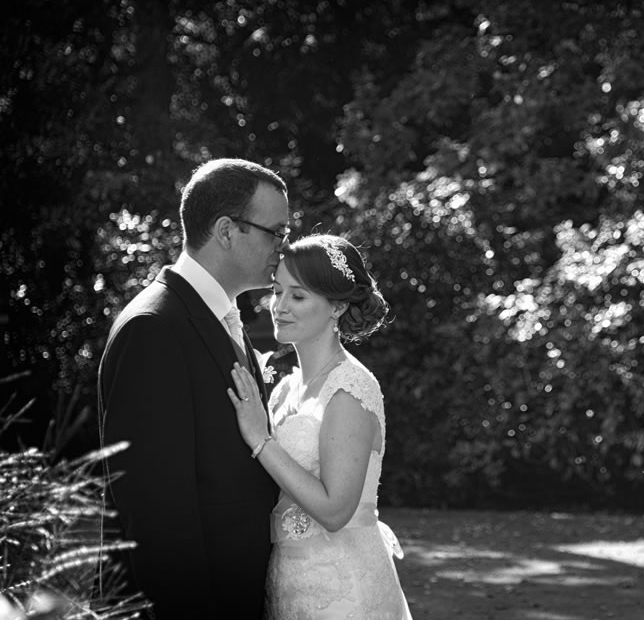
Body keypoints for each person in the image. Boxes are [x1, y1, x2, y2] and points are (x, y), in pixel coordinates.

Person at [98, 158, 289, 619]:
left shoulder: (224, 317)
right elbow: (156, 514)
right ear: (227, 230)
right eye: (275, 232)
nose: (284, 248)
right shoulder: (154, 329)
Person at [226, 233, 412, 619]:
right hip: (286, 581)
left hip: (343, 590)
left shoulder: (349, 389)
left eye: (298, 296)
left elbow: (334, 510)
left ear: (337, 306)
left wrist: (261, 439)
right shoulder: (283, 391)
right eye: (277, 292)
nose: (279, 307)